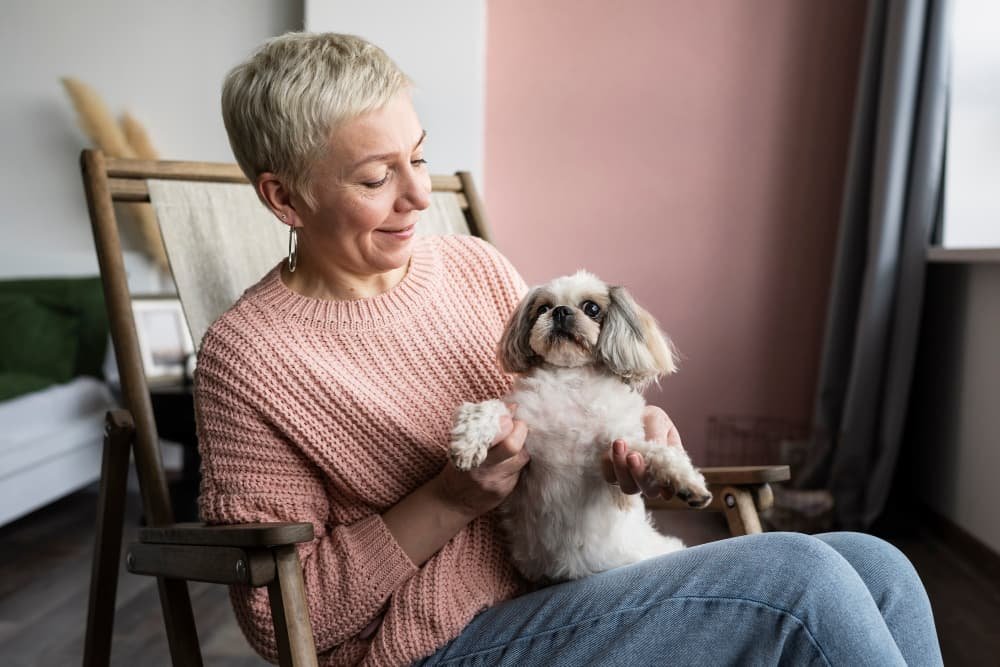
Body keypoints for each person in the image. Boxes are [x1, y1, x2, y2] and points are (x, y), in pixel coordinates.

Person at [197, 31, 943, 667]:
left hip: (575, 582)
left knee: (879, 567)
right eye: (374, 176)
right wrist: (453, 497)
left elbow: (573, 402)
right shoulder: (250, 357)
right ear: (285, 198)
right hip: (435, 641)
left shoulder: (472, 266)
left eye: (418, 159)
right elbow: (283, 613)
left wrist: (641, 447)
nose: (419, 196)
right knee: (803, 577)